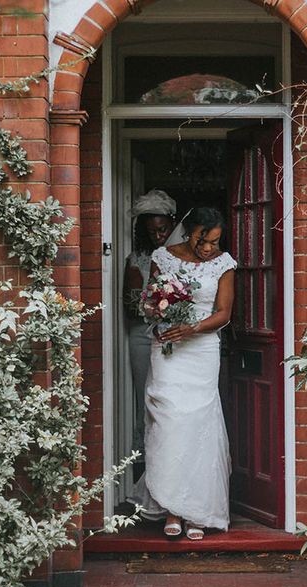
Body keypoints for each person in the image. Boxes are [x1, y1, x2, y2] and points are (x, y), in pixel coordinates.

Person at [137, 207, 236, 541]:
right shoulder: (163, 258)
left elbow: (223, 313)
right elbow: (149, 301)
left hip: (201, 350)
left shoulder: (224, 264)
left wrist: (191, 327)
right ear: (189, 230)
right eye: (202, 239)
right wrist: (158, 307)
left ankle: (196, 512)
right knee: (169, 421)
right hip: (167, 347)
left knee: (198, 425)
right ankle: (172, 508)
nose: (208, 248)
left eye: (214, 242)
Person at [123, 190, 177, 471]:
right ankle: (145, 461)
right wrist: (150, 303)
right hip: (143, 335)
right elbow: (131, 305)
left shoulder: (183, 256)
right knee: (146, 396)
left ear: (173, 224)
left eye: (163, 229)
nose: (158, 236)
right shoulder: (138, 259)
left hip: (177, 337)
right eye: (151, 231)